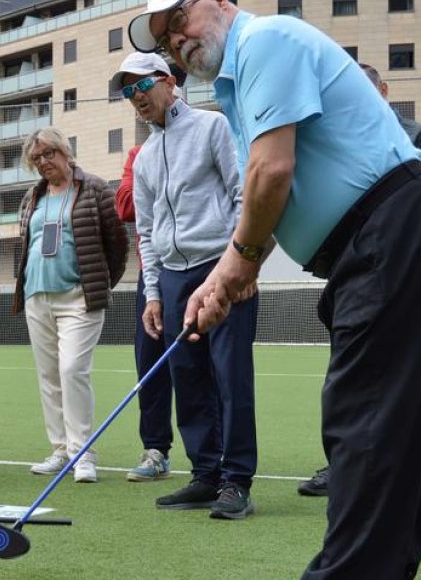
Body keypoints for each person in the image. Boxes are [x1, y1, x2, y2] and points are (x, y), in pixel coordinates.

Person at [129, 0, 421, 577]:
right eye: (164, 42)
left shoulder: (266, 41)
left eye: (178, 21)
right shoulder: (237, 88)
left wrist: (235, 266)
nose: (176, 42)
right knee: (380, 429)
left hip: (392, 228)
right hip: (373, 244)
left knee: (362, 423)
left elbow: (269, 173)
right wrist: (227, 276)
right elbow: (268, 189)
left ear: (219, 1)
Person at [113, 50, 260, 519]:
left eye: (140, 86)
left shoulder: (213, 127)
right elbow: (148, 231)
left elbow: (243, 195)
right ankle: (205, 474)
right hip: (173, 278)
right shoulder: (144, 157)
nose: (134, 97)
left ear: (168, 81)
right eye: (126, 91)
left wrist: (244, 266)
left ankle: (236, 480)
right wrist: (153, 293)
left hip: (220, 264)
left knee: (230, 375)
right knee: (188, 377)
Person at [297, 61, 421, 497]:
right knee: (346, 374)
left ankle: (397, 470)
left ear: (383, 90)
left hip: (398, 268)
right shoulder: (336, 136)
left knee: (400, 374)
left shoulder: (415, 135)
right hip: (350, 270)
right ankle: (341, 465)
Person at [15, 128, 127, 484]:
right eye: (37, 159)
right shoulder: (34, 196)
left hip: (78, 297)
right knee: (49, 376)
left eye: (49, 154)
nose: (44, 163)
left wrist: (97, 283)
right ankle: (60, 449)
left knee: (72, 370)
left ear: (65, 151)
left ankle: (83, 453)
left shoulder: (94, 189)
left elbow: (117, 245)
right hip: (38, 295)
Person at [115, 142, 171, 482]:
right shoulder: (140, 154)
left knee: (206, 363)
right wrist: (174, 189)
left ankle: (216, 453)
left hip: (204, 266)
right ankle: (155, 449)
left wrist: (156, 190)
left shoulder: (207, 136)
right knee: (150, 363)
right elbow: (124, 205)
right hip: (153, 273)